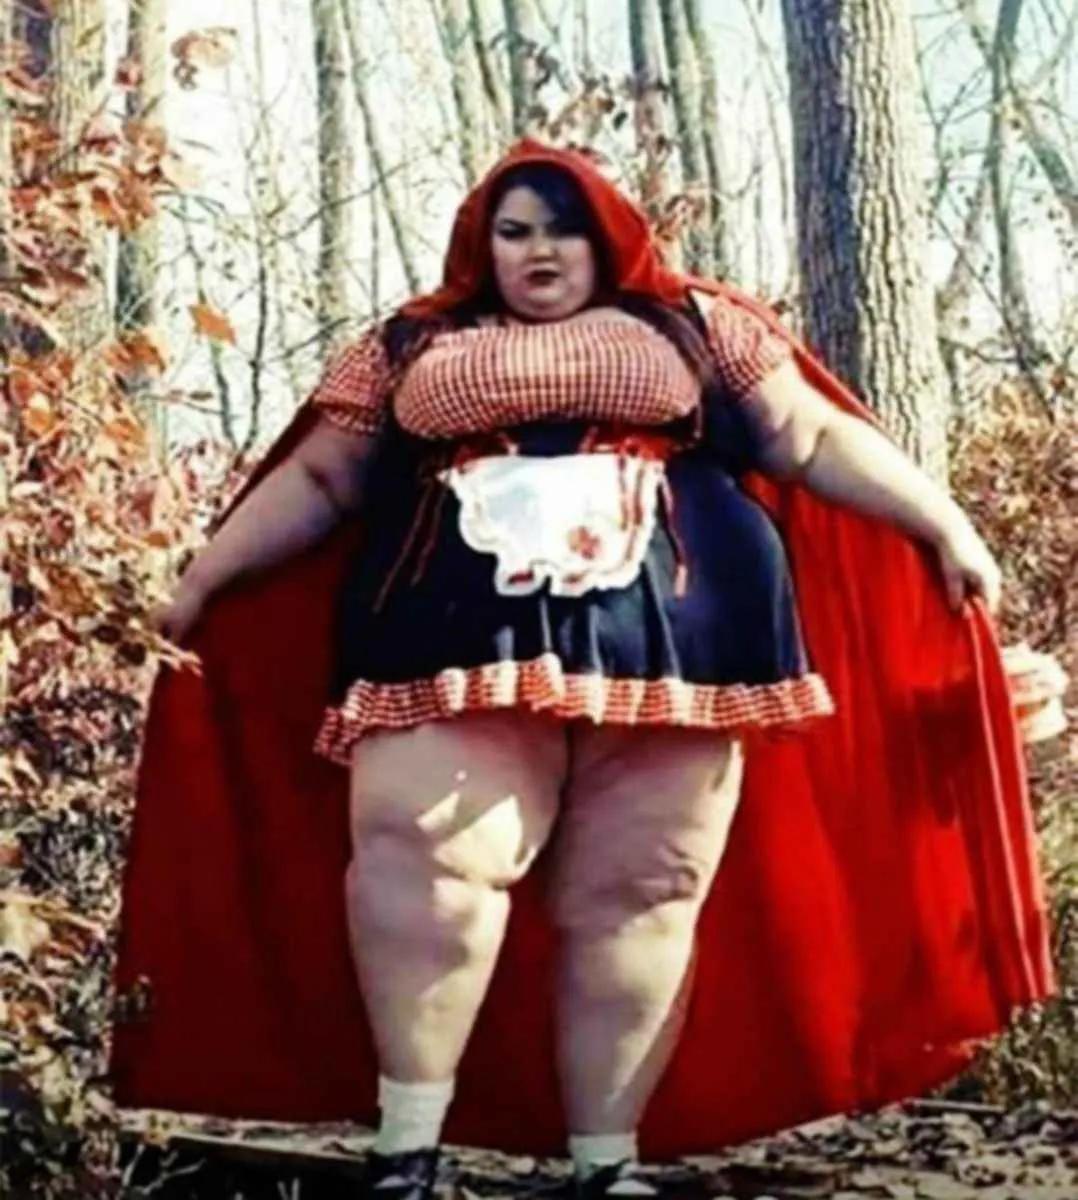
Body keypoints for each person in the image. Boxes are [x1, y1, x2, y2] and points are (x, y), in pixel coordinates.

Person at [110, 141, 1056, 1200]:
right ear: (482, 246)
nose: (540, 251)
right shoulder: (409, 340)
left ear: (608, 240)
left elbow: (806, 434)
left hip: (683, 636)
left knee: (645, 887)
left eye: (564, 229)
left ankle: (606, 1167)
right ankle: (405, 1154)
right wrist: (201, 581)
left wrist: (944, 524)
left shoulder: (698, 323)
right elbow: (323, 476)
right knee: (427, 860)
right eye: (513, 232)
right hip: (450, 630)